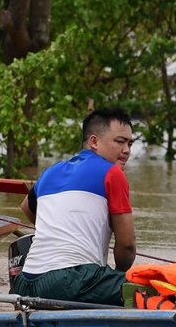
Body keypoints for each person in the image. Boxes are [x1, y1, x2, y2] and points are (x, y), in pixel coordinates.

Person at [10, 107, 136, 305]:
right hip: (70, 281)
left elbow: (26, 207)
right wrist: (118, 279)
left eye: (130, 143)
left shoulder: (51, 172)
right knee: (148, 288)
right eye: (120, 142)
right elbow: (127, 246)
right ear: (94, 141)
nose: (127, 150)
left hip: (26, 282)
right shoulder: (112, 173)